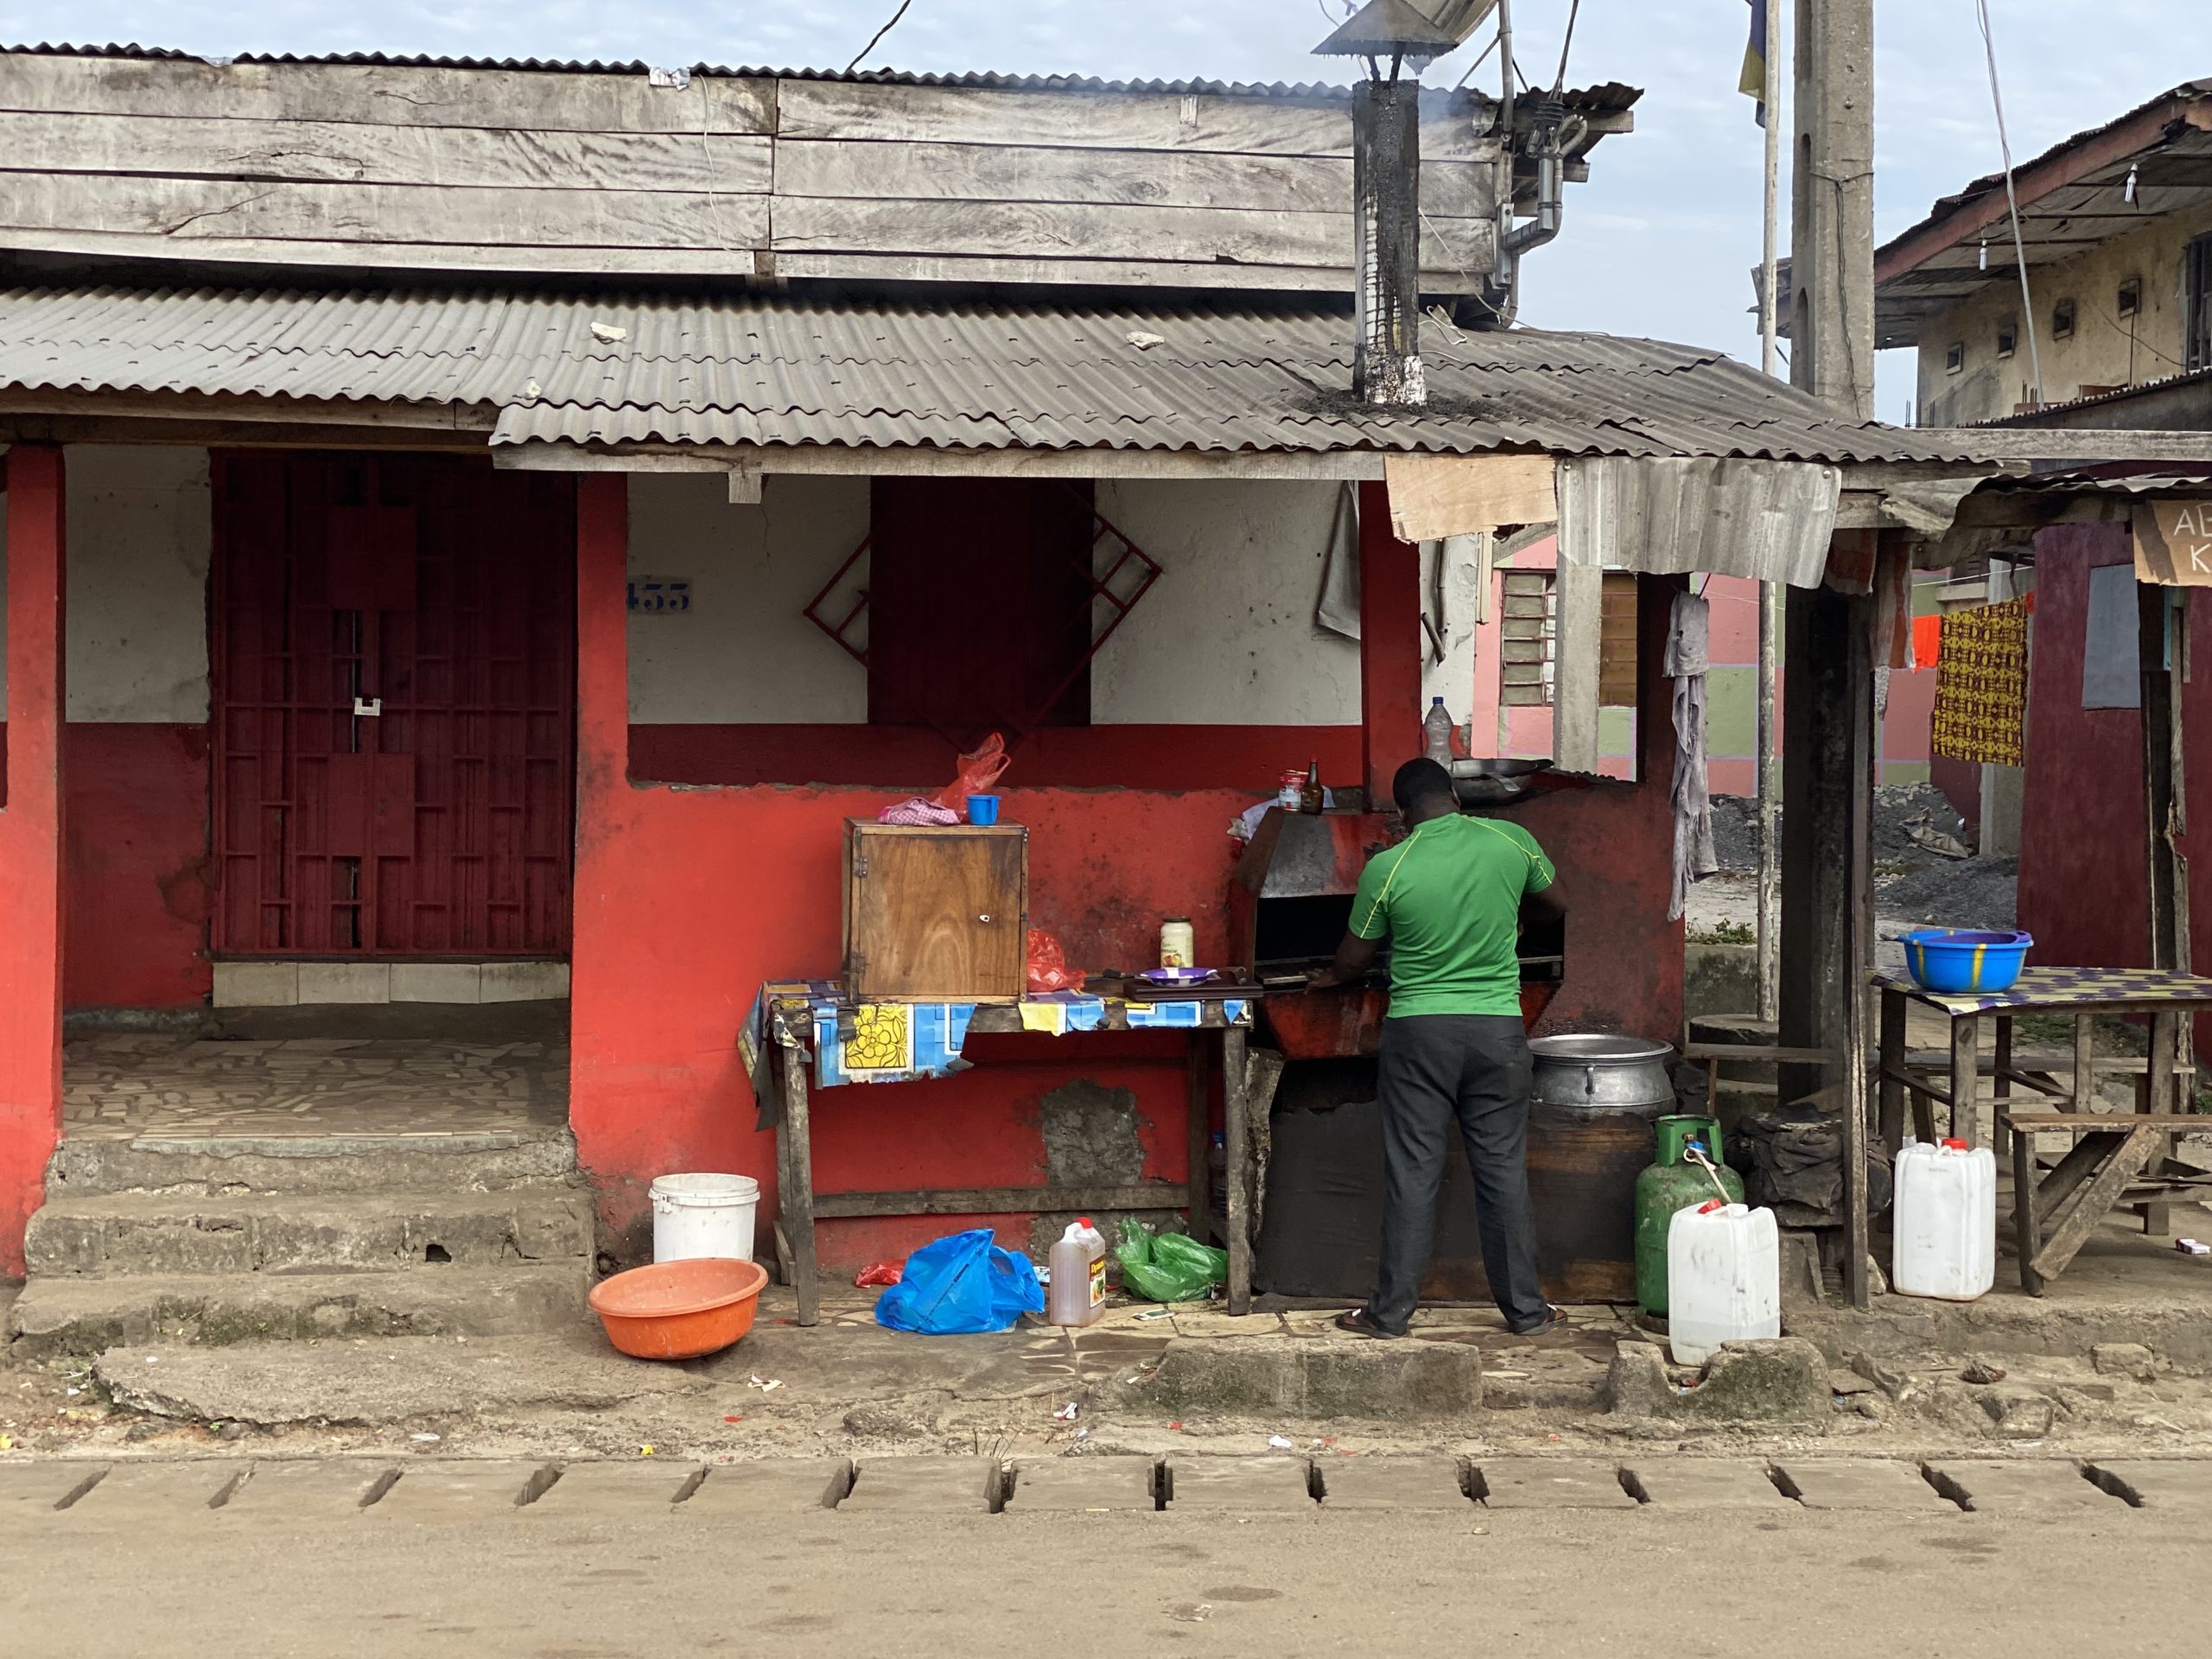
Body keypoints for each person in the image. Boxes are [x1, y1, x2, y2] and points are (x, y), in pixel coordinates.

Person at [1306, 756, 1568, 1338]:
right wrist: (1511, 920)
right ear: (1453, 794)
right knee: (1502, 1173)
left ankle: (1390, 1314)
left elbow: (1354, 959)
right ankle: (1527, 1312)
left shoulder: (1389, 866)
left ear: (1402, 812)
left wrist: (1326, 979)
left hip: (1419, 1037)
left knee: (1414, 1174)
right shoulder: (1512, 840)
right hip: (1498, 1032)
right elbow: (1556, 904)